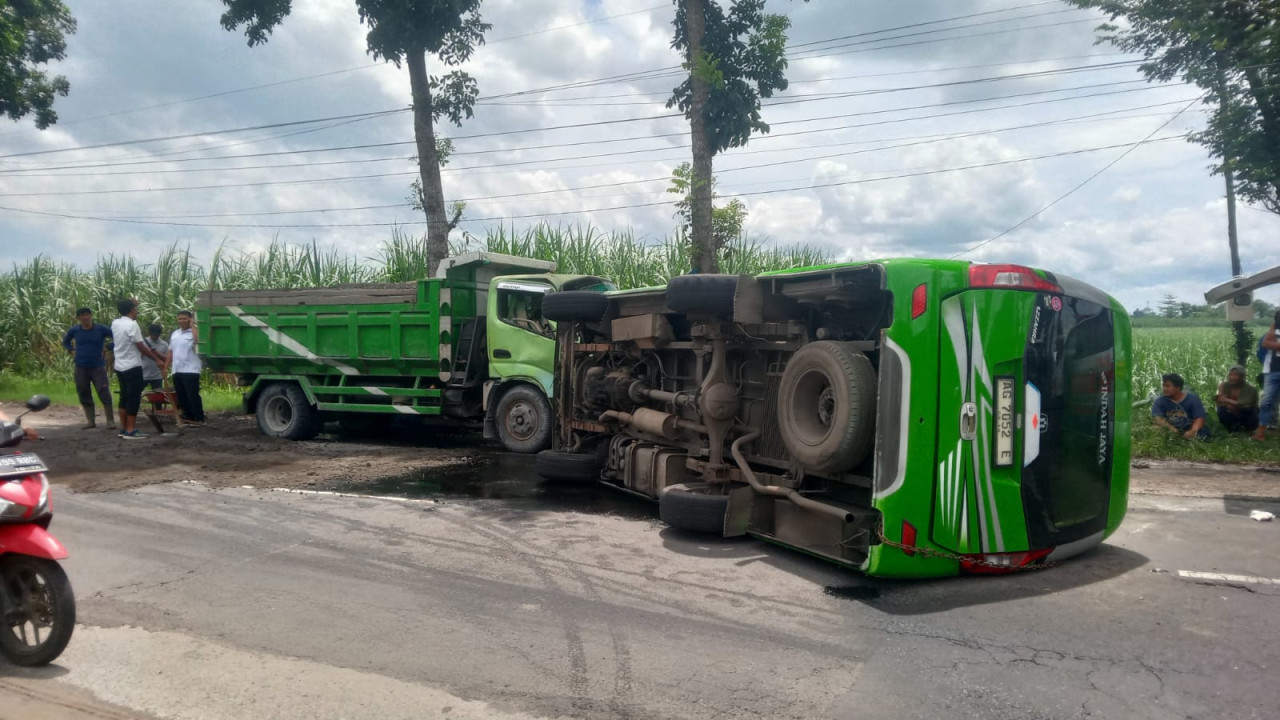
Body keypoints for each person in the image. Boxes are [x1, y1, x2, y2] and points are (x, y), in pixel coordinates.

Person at [112, 298, 167, 440]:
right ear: (131, 311)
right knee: (133, 398)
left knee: (124, 396)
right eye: (135, 309)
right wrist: (156, 359)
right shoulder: (132, 325)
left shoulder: (116, 323)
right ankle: (131, 430)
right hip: (132, 366)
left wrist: (131, 303)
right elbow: (141, 346)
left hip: (119, 366)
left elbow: (126, 312)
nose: (137, 311)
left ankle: (123, 428)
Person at [61, 307, 116, 429]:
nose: (85, 318)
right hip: (81, 366)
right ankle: (91, 421)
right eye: (82, 315)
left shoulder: (100, 329)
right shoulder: (75, 330)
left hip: (98, 366)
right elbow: (65, 342)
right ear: (78, 318)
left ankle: (110, 421)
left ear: (91, 316)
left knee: (103, 391)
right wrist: (71, 350)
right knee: (83, 391)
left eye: (87, 315)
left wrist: (108, 347)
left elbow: (117, 336)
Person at [167, 309, 205, 426]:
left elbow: (197, 341)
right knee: (181, 395)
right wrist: (165, 366)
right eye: (179, 318)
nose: (181, 321)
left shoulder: (194, 332)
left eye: (184, 318)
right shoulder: (175, 334)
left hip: (191, 369)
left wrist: (193, 325)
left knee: (192, 394)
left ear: (189, 319)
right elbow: (170, 351)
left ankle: (199, 418)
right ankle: (188, 417)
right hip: (177, 369)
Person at [1152, 372, 1210, 440]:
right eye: (1163, 385)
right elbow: (1158, 419)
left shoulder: (1192, 399)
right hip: (1171, 430)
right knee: (1154, 429)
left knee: (1200, 434)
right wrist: (1174, 430)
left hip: (1190, 429)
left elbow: (1199, 418)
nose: (1164, 388)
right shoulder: (1159, 401)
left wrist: (1192, 431)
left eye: (1167, 386)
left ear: (1178, 387)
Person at [1253, 315, 1280, 441]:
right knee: (1266, 402)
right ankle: (1261, 432)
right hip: (1272, 371)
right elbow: (1265, 344)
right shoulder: (1275, 329)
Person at [1214, 364, 1259, 433]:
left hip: (1247, 415)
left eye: (1235, 375)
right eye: (1230, 375)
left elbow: (1244, 406)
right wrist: (1221, 393)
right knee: (1222, 411)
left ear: (1242, 377)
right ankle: (1232, 429)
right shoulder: (1225, 385)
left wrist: (1226, 401)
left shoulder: (1251, 389)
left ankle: (1248, 429)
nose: (1232, 377)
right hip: (1233, 414)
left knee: (1252, 412)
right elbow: (1219, 402)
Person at [141, 323, 169, 391]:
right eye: (153, 335)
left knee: (157, 395)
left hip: (157, 375)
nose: (154, 337)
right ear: (149, 333)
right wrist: (145, 352)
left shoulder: (164, 344)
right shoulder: (142, 343)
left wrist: (157, 353)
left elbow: (167, 359)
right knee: (138, 394)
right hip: (143, 373)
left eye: (156, 335)